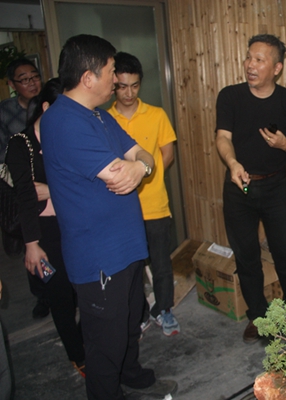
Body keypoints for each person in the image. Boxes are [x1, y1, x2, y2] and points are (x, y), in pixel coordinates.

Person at [40, 34, 176, 399]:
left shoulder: (99, 115)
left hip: (127, 245)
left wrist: (140, 167)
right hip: (99, 255)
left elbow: (142, 154)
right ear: (88, 77)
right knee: (105, 342)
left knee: (130, 322)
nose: (116, 80)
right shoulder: (63, 121)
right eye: (111, 71)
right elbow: (119, 173)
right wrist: (137, 167)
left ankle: (130, 374)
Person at [215, 34, 286, 343]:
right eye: (248, 58)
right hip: (239, 187)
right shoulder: (230, 96)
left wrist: (285, 144)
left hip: (275, 186)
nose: (250, 65)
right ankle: (259, 317)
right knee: (247, 258)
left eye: (259, 60)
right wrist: (232, 163)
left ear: (277, 68)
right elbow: (223, 137)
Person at [5, 78, 86, 377]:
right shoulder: (21, 144)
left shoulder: (70, 138)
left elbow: (86, 183)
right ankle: (78, 356)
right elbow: (27, 197)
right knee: (60, 296)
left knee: (88, 291)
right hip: (44, 232)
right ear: (48, 107)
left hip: (75, 224)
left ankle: (87, 341)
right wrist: (31, 244)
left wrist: (52, 190)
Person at [107, 52, 180, 337]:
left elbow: (167, 155)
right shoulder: (104, 119)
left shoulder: (157, 114)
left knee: (161, 263)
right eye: (122, 86)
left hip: (155, 204)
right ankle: (137, 313)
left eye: (134, 86)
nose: (129, 93)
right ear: (113, 85)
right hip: (120, 209)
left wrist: (149, 177)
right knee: (130, 268)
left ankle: (164, 309)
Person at [0, 58, 47, 316]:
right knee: (32, 243)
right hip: (23, 189)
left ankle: (60, 292)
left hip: (49, 187)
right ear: (12, 84)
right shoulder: (5, 113)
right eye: (24, 79)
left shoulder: (48, 104)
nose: (32, 83)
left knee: (54, 244)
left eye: (35, 76)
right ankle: (42, 296)